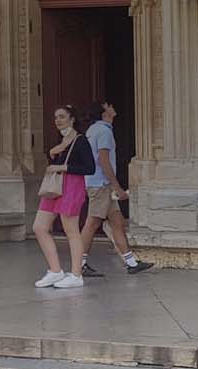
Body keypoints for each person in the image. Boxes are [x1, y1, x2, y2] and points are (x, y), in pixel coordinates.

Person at [77, 101, 153, 278]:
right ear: (105, 112)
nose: (112, 106)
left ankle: (131, 262)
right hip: (101, 184)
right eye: (108, 105)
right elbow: (103, 161)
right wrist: (117, 187)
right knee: (92, 223)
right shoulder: (103, 131)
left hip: (99, 183)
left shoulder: (94, 130)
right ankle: (79, 263)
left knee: (117, 222)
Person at [31, 106, 97, 290]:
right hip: (55, 187)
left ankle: (76, 274)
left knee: (71, 230)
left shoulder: (81, 141)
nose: (58, 120)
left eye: (62, 117)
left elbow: (89, 168)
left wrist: (63, 167)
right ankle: (55, 270)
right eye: (55, 117)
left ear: (72, 119)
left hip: (72, 186)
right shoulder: (60, 140)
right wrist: (52, 155)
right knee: (39, 227)